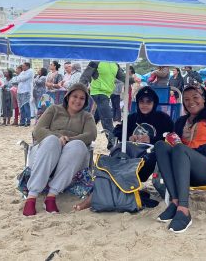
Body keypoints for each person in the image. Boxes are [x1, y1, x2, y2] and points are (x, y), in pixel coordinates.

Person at [73, 86, 174, 212]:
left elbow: (171, 136)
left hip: (150, 158)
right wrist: (128, 136)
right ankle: (100, 197)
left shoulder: (162, 118)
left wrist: (151, 139)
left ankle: (92, 199)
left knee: (116, 168)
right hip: (128, 155)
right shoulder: (132, 118)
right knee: (114, 163)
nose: (145, 105)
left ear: (154, 103)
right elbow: (117, 130)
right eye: (142, 102)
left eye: (149, 102)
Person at [154, 84, 206, 233]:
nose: (191, 102)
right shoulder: (180, 121)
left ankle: (184, 211)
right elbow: (174, 144)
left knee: (181, 149)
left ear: (204, 98)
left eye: (195, 97)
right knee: (161, 145)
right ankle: (175, 201)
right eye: (186, 99)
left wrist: (192, 153)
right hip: (186, 170)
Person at [22, 83, 97, 216]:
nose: (78, 100)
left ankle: (51, 196)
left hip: (71, 154)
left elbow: (91, 135)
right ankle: (32, 196)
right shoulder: (53, 109)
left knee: (78, 145)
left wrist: (68, 140)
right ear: (68, 97)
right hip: (47, 149)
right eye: (75, 96)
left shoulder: (87, 116)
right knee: (52, 141)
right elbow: (38, 130)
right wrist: (58, 137)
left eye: (82, 98)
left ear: (85, 102)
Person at [80, 61, 135, 149]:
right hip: (98, 93)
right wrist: (80, 90)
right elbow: (85, 76)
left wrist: (133, 79)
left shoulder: (115, 64)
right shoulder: (95, 62)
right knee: (107, 119)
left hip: (107, 94)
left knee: (95, 118)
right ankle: (112, 145)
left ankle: (84, 136)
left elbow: (123, 77)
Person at [15, 62, 34, 127]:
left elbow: (23, 78)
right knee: (21, 107)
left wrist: (20, 78)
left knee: (26, 106)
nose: (22, 67)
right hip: (20, 91)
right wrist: (20, 78)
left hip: (26, 91)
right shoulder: (22, 72)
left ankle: (28, 121)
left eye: (23, 66)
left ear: (27, 66)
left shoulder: (30, 71)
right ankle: (22, 121)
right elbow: (17, 79)